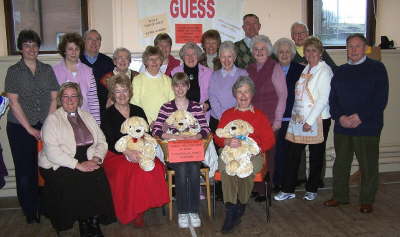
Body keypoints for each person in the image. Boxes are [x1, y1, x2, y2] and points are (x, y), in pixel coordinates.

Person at [39, 82, 114, 236]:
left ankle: (94, 220)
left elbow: (102, 141)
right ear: (60, 99)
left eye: (74, 96)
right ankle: (84, 222)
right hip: (58, 162)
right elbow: (52, 152)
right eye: (65, 96)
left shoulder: (87, 116)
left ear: (79, 99)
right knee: (78, 178)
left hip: (88, 156)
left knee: (97, 175)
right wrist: (78, 165)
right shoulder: (52, 120)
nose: (70, 100)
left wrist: (96, 159)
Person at [325, 34, 389, 213]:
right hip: (343, 126)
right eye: (350, 46)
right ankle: (340, 196)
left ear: (365, 48)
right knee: (341, 163)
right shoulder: (340, 71)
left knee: (368, 165)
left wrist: (360, 117)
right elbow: (333, 100)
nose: (353, 50)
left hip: (368, 126)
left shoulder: (377, 68)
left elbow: (380, 99)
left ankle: (367, 200)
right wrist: (340, 117)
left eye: (357, 46)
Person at [4, 30, 59, 224]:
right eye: (27, 45)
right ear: (21, 48)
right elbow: (14, 102)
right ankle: (30, 210)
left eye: (34, 45)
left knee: (46, 167)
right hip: (20, 127)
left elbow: (54, 98)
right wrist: (30, 129)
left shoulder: (47, 70)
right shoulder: (13, 72)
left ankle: (45, 206)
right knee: (26, 170)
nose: (31, 49)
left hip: (45, 125)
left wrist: (47, 126)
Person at [101, 74, 169, 226]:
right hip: (116, 154)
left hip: (140, 150)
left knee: (157, 166)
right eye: (117, 91)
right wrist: (127, 152)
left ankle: (145, 203)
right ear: (112, 94)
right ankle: (135, 211)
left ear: (130, 92)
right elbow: (108, 141)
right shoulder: (108, 114)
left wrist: (144, 149)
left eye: (124, 90)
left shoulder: (138, 110)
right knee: (132, 172)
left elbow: (147, 134)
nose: (122, 95)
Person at [274, 37, 333, 202]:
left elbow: (323, 99)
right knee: (293, 154)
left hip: (318, 120)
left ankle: (312, 188)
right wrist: (298, 119)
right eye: (308, 51)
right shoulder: (306, 68)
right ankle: (288, 189)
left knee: (316, 155)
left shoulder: (324, 70)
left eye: (314, 50)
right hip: (299, 120)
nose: (311, 53)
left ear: (320, 53)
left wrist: (310, 121)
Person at [214, 76, 275, 234]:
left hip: (253, 154)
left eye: (246, 92)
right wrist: (227, 141)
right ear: (235, 94)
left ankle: (241, 204)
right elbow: (218, 137)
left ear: (252, 94)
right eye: (239, 92)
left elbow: (270, 140)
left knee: (245, 168)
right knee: (228, 168)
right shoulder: (228, 114)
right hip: (229, 151)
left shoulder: (259, 115)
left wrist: (252, 148)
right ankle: (231, 210)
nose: (243, 95)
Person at [152, 72, 211, 229]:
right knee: (183, 170)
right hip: (174, 152)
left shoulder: (196, 107)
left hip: (193, 150)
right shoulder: (166, 107)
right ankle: (183, 211)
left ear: (188, 86)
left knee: (192, 168)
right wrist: (172, 136)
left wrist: (196, 137)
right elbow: (156, 129)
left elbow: (206, 128)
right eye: (176, 85)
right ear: (172, 87)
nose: (180, 88)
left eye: (183, 85)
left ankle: (194, 210)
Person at [246, 35, 287, 201]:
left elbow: (283, 95)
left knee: (268, 157)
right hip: (252, 121)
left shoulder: (274, 67)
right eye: (256, 49)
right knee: (253, 154)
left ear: (268, 50)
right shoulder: (249, 69)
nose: (259, 52)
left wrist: (277, 121)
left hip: (270, 121)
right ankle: (255, 187)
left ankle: (266, 189)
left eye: (262, 49)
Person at [272, 38, 305, 192]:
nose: (284, 55)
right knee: (278, 153)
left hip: (294, 118)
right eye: (281, 52)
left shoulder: (301, 70)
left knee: (292, 154)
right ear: (276, 54)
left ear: (292, 54)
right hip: (276, 119)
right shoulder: (272, 69)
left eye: (287, 52)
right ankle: (277, 182)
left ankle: (290, 183)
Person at [53, 32, 101, 124]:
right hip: (62, 120)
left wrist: (97, 125)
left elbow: (93, 101)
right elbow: (53, 100)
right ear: (64, 50)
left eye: (77, 49)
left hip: (85, 119)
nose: (73, 52)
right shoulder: (54, 71)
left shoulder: (88, 71)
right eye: (70, 49)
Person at [208, 41, 248, 133]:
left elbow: (245, 97)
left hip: (239, 120)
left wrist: (234, 117)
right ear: (219, 58)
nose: (226, 60)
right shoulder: (214, 75)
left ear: (234, 57)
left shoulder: (243, 74)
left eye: (229, 57)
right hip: (217, 120)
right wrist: (222, 117)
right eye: (223, 57)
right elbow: (212, 98)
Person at [131, 46, 175, 124]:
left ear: (161, 61)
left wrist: (162, 123)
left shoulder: (168, 80)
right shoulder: (137, 80)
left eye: (157, 59)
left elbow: (172, 105)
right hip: (143, 125)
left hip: (164, 124)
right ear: (146, 62)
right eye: (151, 59)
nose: (154, 62)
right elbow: (135, 106)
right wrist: (146, 123)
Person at [80, 29, 115, 123]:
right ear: (84, 41)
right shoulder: (77, 61)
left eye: (97, 39)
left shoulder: (108, 62)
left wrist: (111, 99)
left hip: (104, 107)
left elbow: (114, 85)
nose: (94, 42)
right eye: (90, 39)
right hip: (81, 107)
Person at [171, 42, 213, 118]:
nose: (190, 57)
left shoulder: (209, 73)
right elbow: (170, 95)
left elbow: (214, 95)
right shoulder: (174, 72)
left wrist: (208, 105)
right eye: (187, 55)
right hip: (180, 116)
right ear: (183, 57)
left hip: (202, 115)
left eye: (193, 54)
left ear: (198, 56)